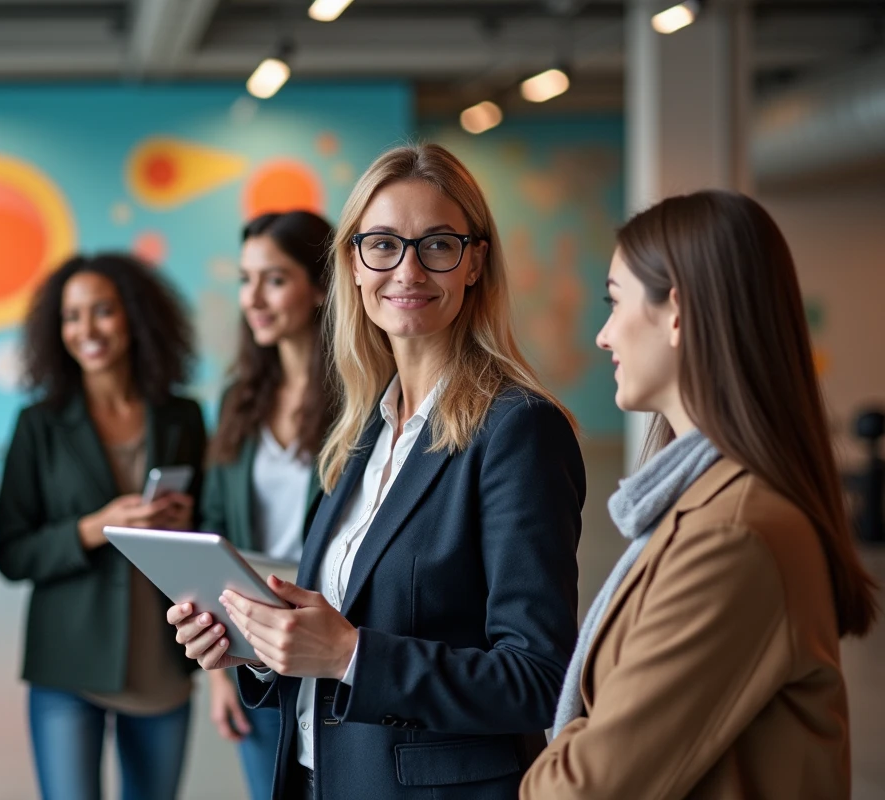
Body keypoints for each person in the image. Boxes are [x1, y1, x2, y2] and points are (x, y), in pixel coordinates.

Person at [170, 143, 586, 799]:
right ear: (353, 265)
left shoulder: (518, 428)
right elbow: (334, 629)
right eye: (384, 245)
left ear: (475, 262)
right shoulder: (364, 426)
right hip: (320, 779)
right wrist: (256, 645)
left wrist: (349, 654)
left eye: (438, 245)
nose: (408, 270)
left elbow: (540, 679)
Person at [521, 190, 880, 798]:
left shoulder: (732, 535)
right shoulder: (709, 505)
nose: (604, 336)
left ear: (677, 312)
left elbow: (584, 790)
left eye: (615, 302)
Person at [0, 253, 206, 800]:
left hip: (162, 662)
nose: (85, 330)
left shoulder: (182, 416)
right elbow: (12, 554)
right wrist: (93, 528)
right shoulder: (38, 424)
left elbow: (210, 528)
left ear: (135, 316)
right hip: (68, 664)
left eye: (103, 311)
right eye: (71, 316)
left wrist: (185, 523)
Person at [201, 211, 335, 800]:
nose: (252, 298)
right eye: (245, 279)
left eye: (274, 279)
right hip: (253, 647)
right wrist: (221, 670)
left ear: (320, 287)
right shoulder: (238, 399)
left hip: (331, 640)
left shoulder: (364, 396)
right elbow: (215, 527)